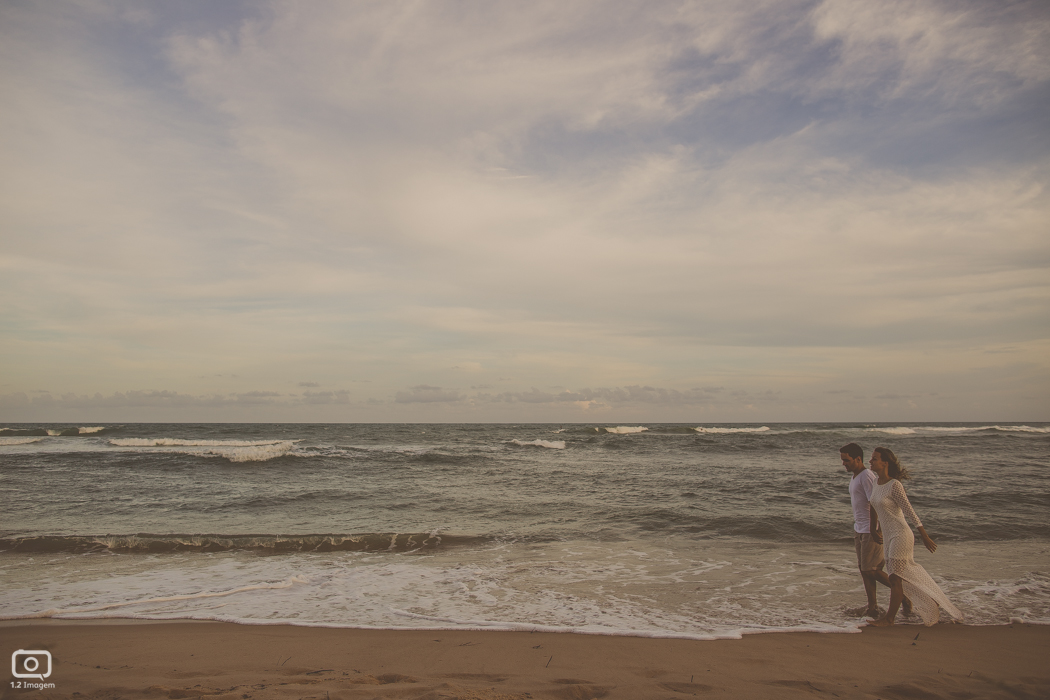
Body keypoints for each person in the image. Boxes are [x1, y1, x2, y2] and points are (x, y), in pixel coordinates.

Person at [866, 447, 963, 627]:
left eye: (874, 459)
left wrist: (924, 536)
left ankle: (889, 619)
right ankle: (931, 600)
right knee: (901, 575)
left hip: (901, 535)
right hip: (888, 537)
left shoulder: (895, 485)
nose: (870, 461)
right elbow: (872, 505)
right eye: (871, 459)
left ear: (885, 463)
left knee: (895, 577)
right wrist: (873, 528)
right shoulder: (875, 483)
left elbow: (910, 511)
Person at [838, 443, 907, 618]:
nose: (843, 464)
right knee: (864, 570)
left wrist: (875, 528)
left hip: (871, 529)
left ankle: (903, 597)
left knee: (872, 570)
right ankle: (872, 607)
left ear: (858, 459)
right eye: (843, 460)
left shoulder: (866, 476)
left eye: (846, 460)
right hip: (859, 529)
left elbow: (875, 502)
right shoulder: (855, 477)